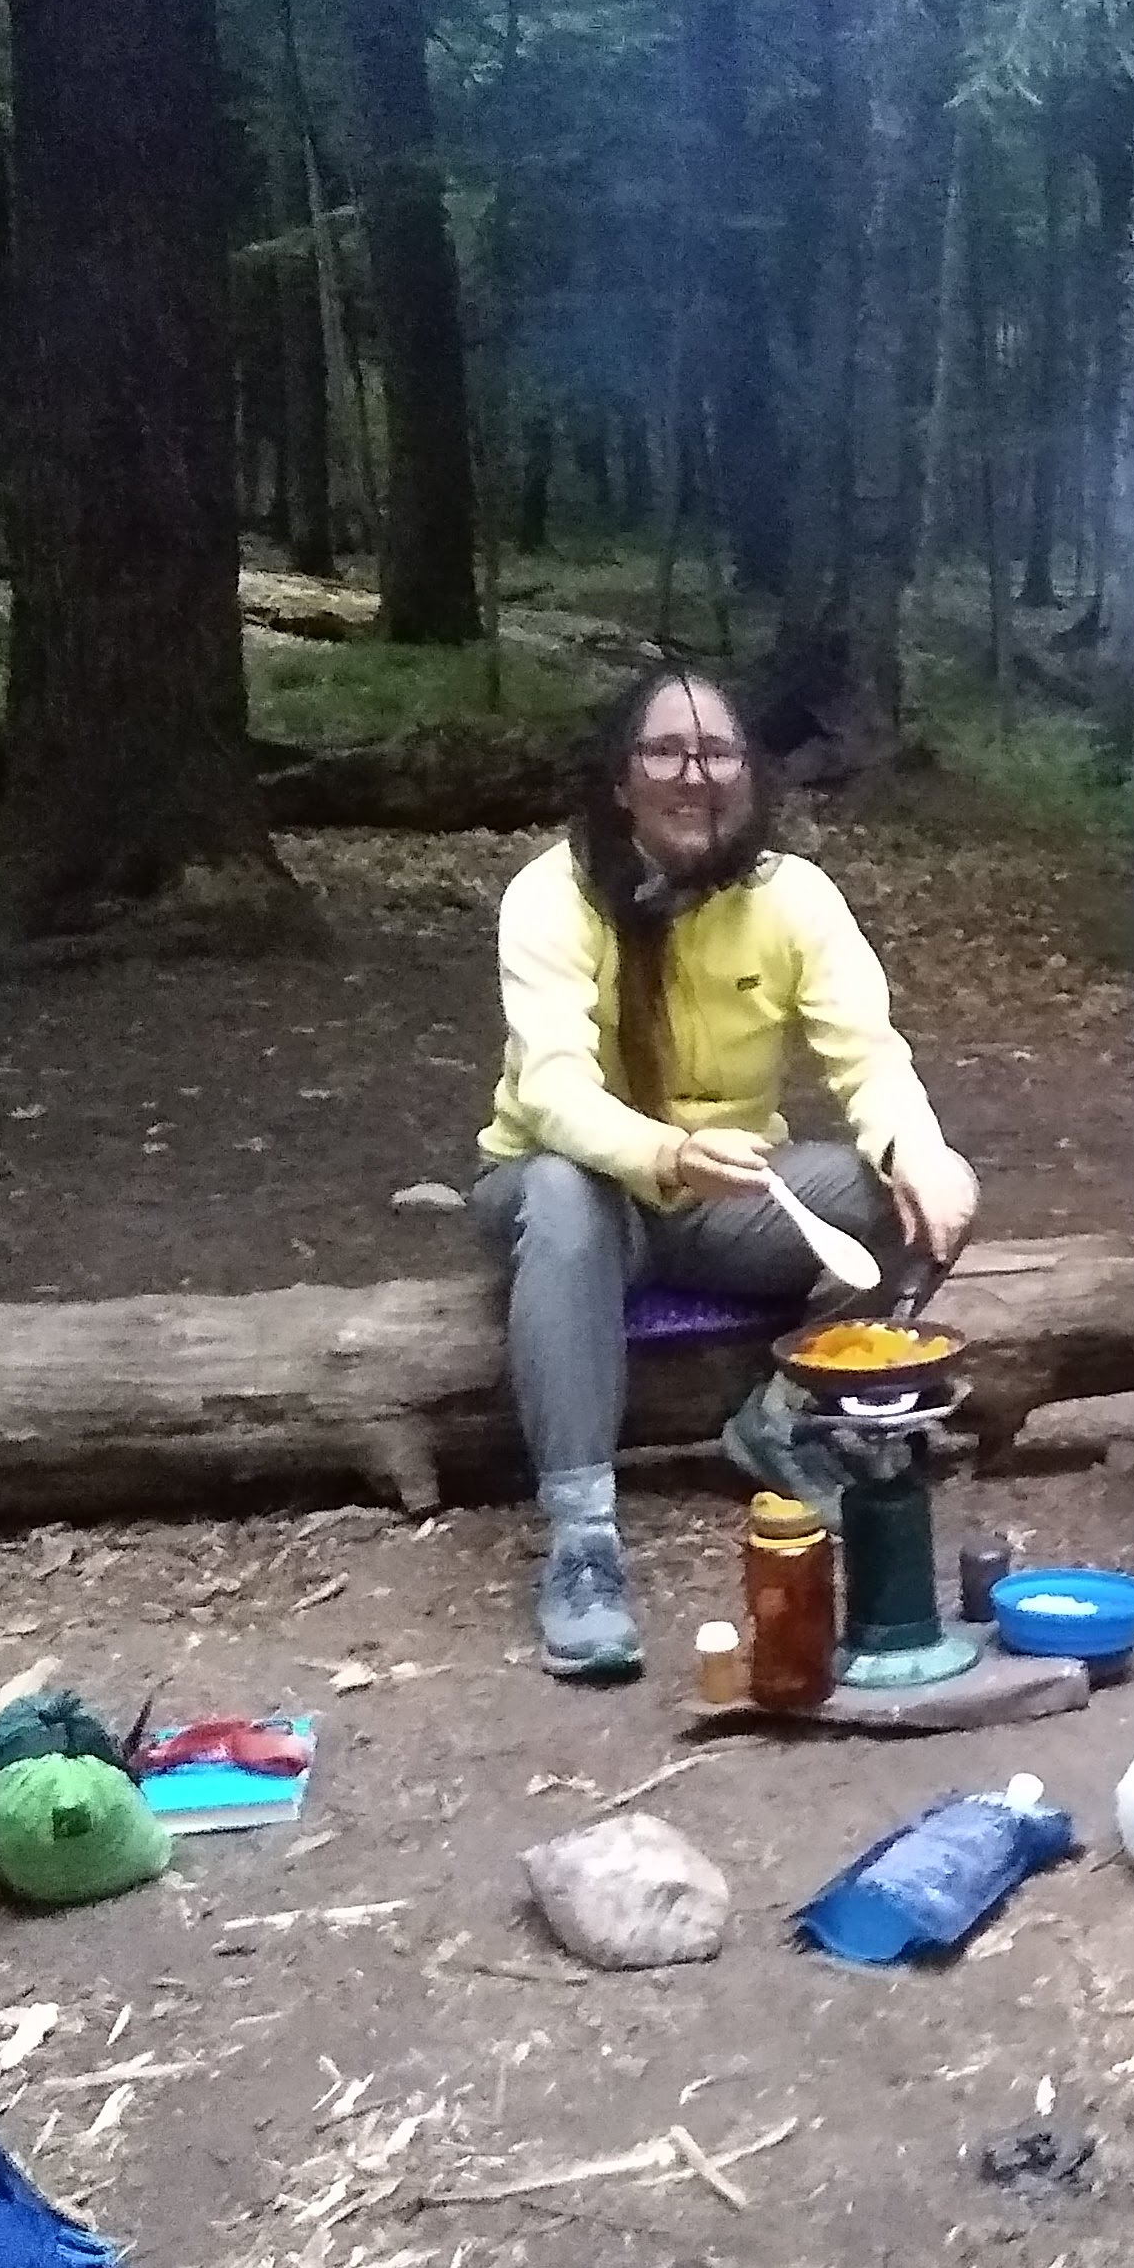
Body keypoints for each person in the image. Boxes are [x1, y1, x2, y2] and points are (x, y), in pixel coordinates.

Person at [472, 665, 980, 1678]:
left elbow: (868, 1057)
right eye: (665, 751)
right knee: (565, 1193)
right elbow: (552, 1090)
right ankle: (582, 1544)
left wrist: (920, 1153)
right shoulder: (551, 896)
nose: (693, 776)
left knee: (903, 1200)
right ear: (620, 778)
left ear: (750, 774)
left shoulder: (792, 897)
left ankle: (781, 1419)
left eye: (717, 752)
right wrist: (662, 1151)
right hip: (571, 1190)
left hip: (731, 1202)